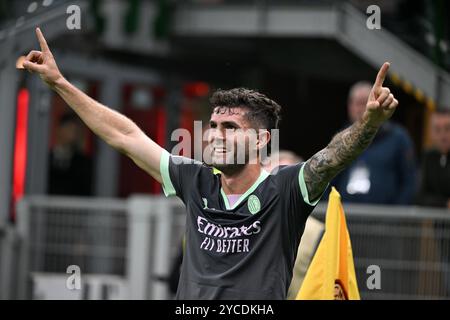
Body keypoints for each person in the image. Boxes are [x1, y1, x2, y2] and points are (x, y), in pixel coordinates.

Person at [23, 27, 399, 299]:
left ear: (261, 140)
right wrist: (59, 84)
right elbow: (125, 136)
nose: (215, 134)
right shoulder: (195, 180)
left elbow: (335, 156)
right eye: (213, 125)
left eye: (231, 127)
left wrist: (368, 123)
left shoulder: (284, 189)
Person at [333, 81, 416, 205]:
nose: (360, 109)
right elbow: (328, 180)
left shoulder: (398, 138)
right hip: (345, 218)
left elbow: (410, 181)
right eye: (357, 103)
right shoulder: (341, 139)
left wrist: (396, 216)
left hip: (385, 220)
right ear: (350, 106)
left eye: (365, 103)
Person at [48, 113, 92, 196]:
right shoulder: (45, 159)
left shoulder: (83, 163)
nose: (73, 134)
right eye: (69, 129)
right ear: (59, 130)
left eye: (76, 131)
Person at [416, 109, 450, 208]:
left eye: (447, 129)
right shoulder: (428, 157)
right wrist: (445, 203)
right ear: (431, 133)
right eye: (437, 130)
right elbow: (420, 196)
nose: (443, 136)